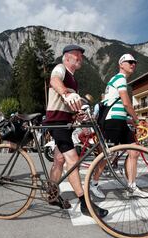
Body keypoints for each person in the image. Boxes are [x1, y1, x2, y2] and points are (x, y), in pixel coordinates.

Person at [44, 44, 108, 217]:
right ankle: (84, 202)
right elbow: (54, 81)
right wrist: (66, 93)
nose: (80, 57)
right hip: (56, 121)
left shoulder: (74, 79)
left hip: (65, 121)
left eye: (81, 55)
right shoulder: (60, 68)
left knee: (58, 160)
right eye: (76, 54)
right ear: (66, 57)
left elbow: (70, 105)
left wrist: (77, 115)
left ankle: (51, 194)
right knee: (73, 160)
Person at [94, 53, 148, 199]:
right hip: (112, 121)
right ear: (121, 64)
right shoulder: (119, 79)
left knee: (134, 152)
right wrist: (136, 119)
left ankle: (132, 187)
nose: (133, 64)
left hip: (119, 120)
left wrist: (128, 119)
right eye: (130, 62)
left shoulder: (118, 80)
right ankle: (93, 184)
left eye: (135, 62)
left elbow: (116, 103)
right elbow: (126, 103)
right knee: (108, 155)